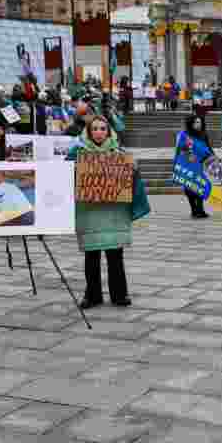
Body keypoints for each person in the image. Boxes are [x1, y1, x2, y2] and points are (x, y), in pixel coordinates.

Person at [69, 115, 148, 309]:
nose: (98, 132)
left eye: (103, 129)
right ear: (88, 132)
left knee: (115, 256)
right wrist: (72, 169)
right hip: (88, 212)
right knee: (91, 257)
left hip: (114, 213)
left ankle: (119, 294)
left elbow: (132, 179)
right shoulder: (77, 153)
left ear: (109, 131)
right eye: (94, 129)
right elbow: (61, 175)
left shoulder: (119, 153)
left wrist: (134, 169)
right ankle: (92, 295)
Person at [181, 115, 211, 219]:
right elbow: (181, 149)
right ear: (191, 124)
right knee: (189, 189)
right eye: (196, 122)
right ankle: (194, 209)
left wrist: (213, 158)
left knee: (200, 187)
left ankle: (200, 210)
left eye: (200, 122)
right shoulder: (185, 135)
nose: (199, 124)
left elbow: (208, 149)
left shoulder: (203, 135)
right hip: (189, 165)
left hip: (200, 165)